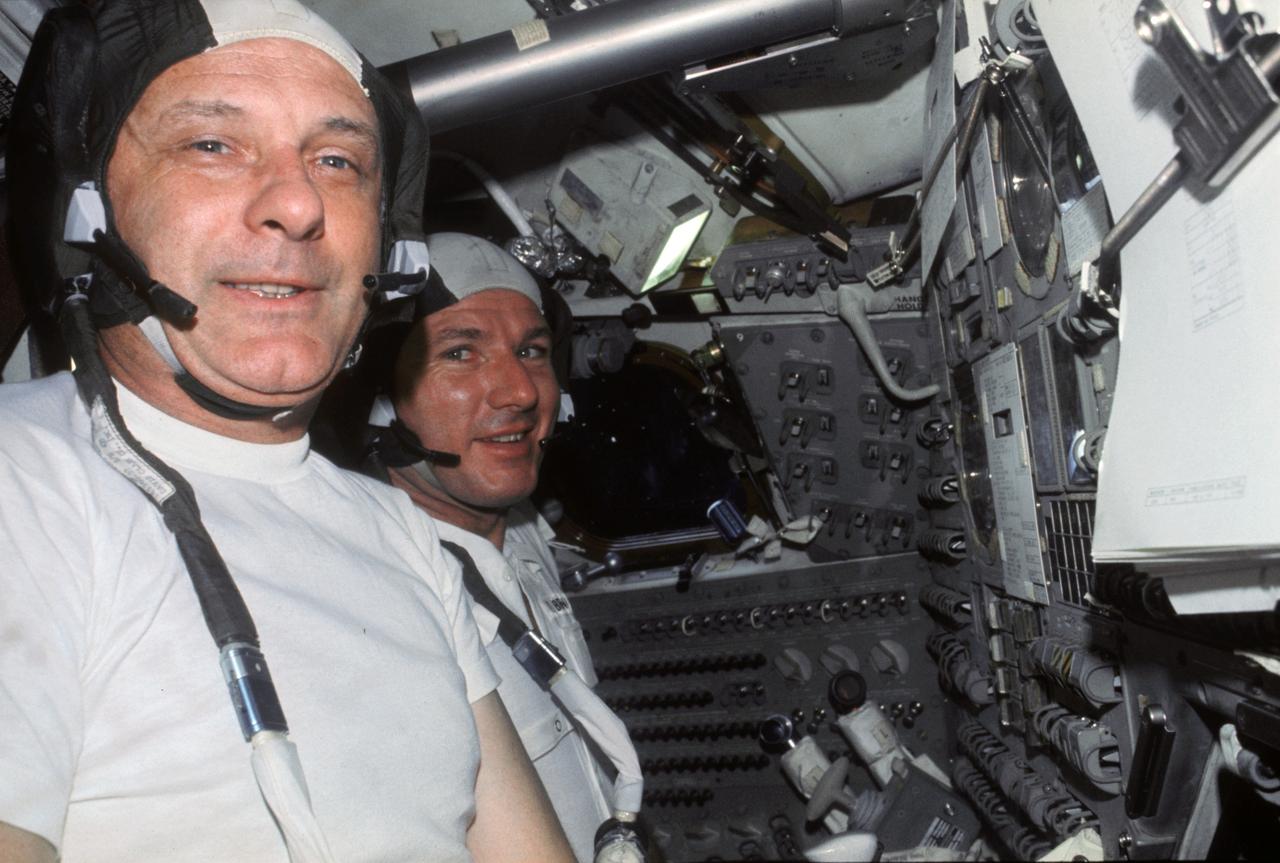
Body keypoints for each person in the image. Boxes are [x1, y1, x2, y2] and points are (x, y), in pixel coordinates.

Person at [0, 2, 572, 861]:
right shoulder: (25, 481)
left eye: (338, 160)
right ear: (86, 208)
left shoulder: (404, 538)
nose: (300, 202)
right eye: (212, 145)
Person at [351, 232, 643, 863]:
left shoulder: (524, 530)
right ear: (379, 398)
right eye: (461, 353)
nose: (519, 391)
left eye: (532, 351)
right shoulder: (377, 604)